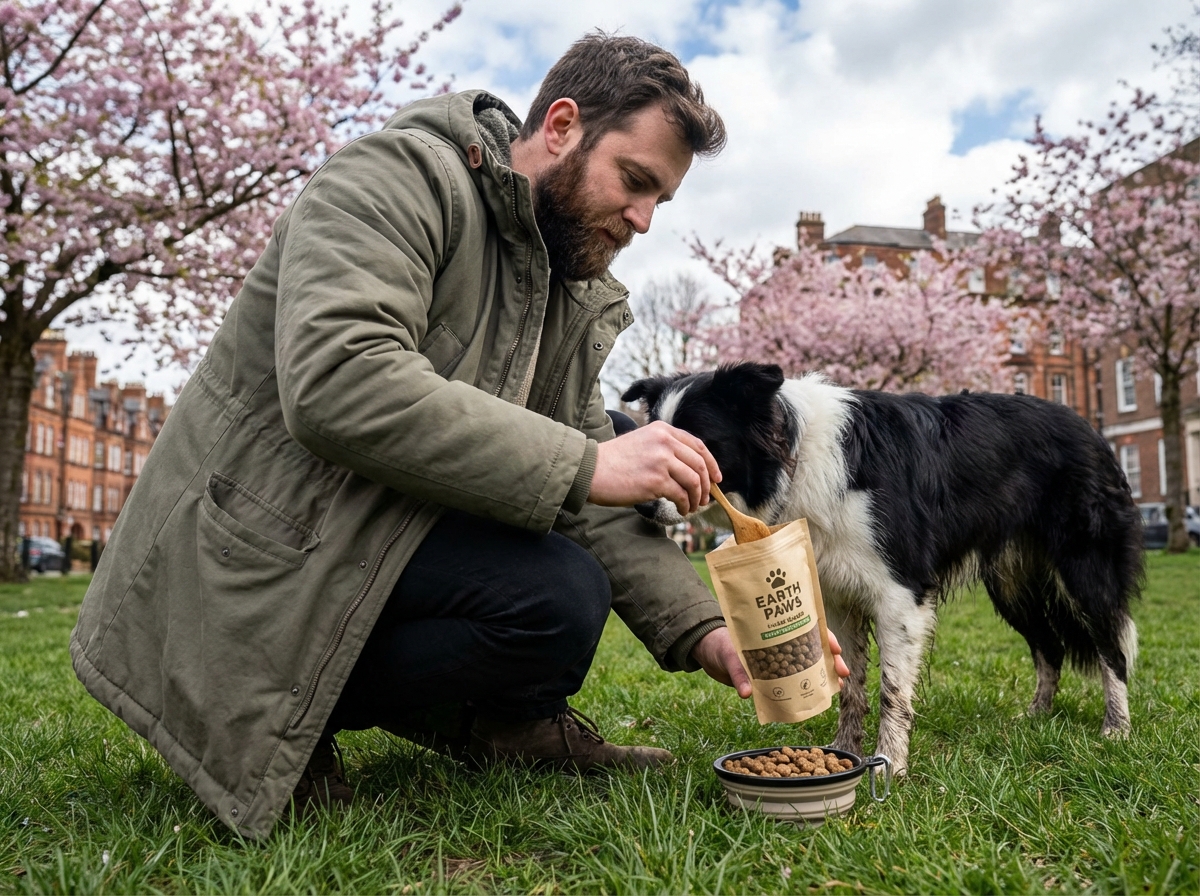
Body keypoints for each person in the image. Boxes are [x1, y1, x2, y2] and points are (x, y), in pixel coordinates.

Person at [70, 33, 847, 838]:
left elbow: (588, 490)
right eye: (636, 181)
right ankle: (260, 714)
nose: (644, 220)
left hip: (376, 533)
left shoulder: (564, 287)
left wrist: (709, 634)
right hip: (254, 556)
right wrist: (590, 460)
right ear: (562, 126)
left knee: (559, 594)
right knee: (565, 562)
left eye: (662, 202)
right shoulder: (392, 178)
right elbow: (341, 380)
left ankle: (505, 728)